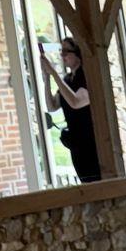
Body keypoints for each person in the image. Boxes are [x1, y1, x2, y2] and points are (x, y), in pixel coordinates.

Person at [38, 36, 101, 185]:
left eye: (67, 51)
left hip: (91, 144)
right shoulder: (67, 80)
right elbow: (52, 106)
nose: (62, 55)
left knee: (96, 182)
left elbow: (76, 102)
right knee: (86, 182)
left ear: (78, 54)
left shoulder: (86, 77)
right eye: (62, 51)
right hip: (77, 145)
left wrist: (53, 73)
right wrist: (47, 78)